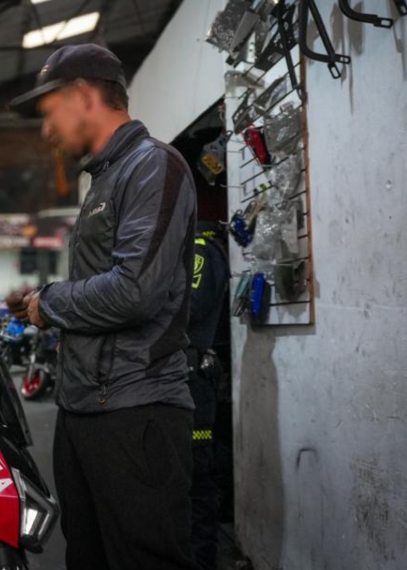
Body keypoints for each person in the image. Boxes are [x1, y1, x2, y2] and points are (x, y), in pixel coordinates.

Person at [7, 44, 199, 570]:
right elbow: (102, 291)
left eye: (49, 114)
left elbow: (135, 291)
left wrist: (50, 302)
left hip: (137, 414)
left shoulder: (153, 166)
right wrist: (36, 305)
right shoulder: (107, 179)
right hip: (86, 410)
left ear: (84, 96)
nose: (46, 132)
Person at [186, 220, 230, 570]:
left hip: (194, 383)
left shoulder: (199, 249)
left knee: (196, 485)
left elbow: (191, 309)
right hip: (185, 382)